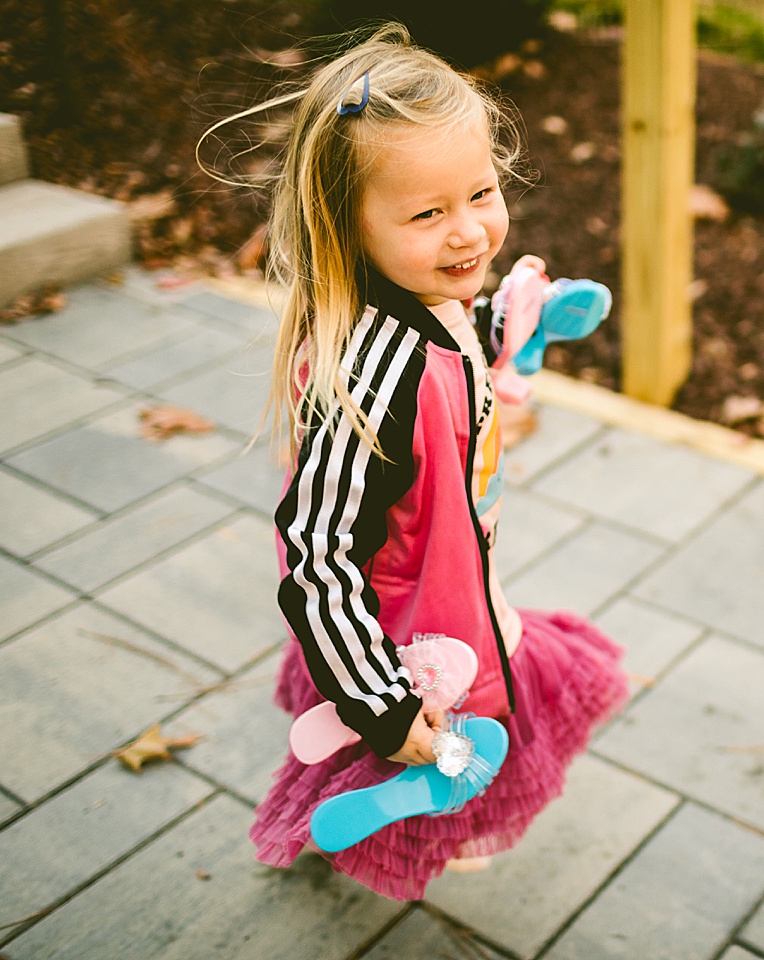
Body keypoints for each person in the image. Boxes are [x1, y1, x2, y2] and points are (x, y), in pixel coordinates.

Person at [230, 25, 629, 900]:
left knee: (466, 721)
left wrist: (511, 330)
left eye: (481, 193)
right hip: (408, 615)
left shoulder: (424, 296)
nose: (469, 233)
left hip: (450, 569)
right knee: (439, 729)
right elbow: (317, 553)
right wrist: (384, 702)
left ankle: (408, 786)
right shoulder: (367, 386)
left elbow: (450, 349)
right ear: (350, 225)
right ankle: (388, 806)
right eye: (426, 214)